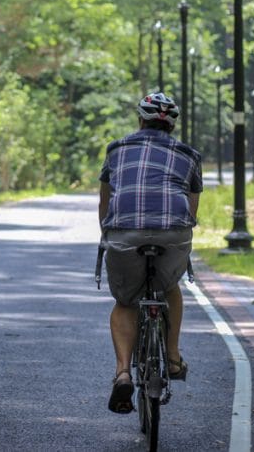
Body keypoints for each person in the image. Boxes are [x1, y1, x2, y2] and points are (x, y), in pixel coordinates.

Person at [98, 91, 203, 414]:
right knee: (170, 287)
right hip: (173, 232)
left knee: (125, 300)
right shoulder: (189, 154)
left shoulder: (117, 150)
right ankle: (172, 358)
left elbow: (105, 203)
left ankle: (122, 373)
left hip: (125, 233)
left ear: (140, 119)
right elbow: (192, 211)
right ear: (172, 125)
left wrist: (107, 231)